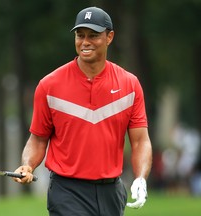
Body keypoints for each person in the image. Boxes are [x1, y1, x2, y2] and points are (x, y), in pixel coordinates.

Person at [13, 6, 152, 216]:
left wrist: (141, 178)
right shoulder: (49, 85)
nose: (85, 42)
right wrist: (27, 166)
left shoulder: (129, 85)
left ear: (109, 37)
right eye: (80, 35)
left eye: (93, 36)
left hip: (111, 192)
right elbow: (38, 139)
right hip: (67, 191)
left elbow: (140, 141)